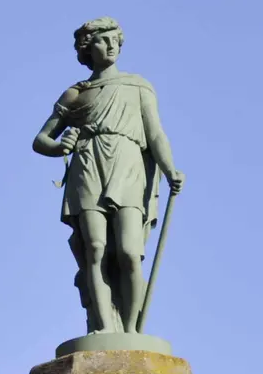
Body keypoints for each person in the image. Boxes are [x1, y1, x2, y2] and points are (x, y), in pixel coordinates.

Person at [32, 17, 184, 335]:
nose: (112, 45)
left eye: (115, 39)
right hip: (88, 166)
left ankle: (131, 332)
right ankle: (103, 326)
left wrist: (170, 169)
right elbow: (41, 140)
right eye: (103, 40)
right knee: (95, 250)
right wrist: (61, 146)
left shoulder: (138, 86)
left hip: (128, 167)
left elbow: (155, 133)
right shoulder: (77, 93)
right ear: (89, 48)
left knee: (129, 252)